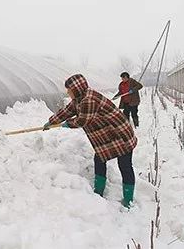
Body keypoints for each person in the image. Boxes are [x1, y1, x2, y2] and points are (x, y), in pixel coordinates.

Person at [43, 74, 137, 208]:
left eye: (69, 90)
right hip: (107, 135)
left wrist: (67, 124)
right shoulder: (79, 99)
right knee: (99, 159)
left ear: (76, 89)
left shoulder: (89, 99)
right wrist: (51, 121)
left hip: (120, 133)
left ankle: (128, 200)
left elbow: (82, 121)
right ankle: (98, 192)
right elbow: (67, 111)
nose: (67, 92)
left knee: (125, 165)